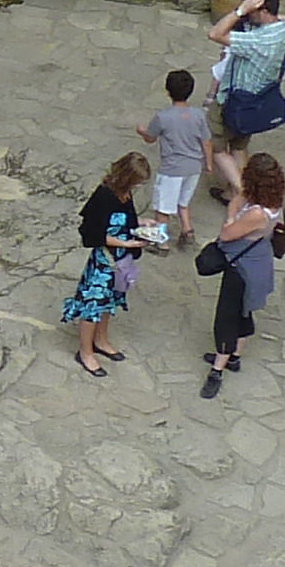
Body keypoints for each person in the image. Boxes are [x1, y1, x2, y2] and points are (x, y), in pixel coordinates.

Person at [200, 152, 285, 397]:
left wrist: (231, 212)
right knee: (243, 311)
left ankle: (218, 368)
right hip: (258, 261)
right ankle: (235, 356)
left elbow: (227, 234)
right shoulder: (275, 200)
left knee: (227, 317)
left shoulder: (256, 214)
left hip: (242, 267)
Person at [64, 151, 150, 376]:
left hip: (121, 259)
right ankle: (85, 352)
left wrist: (143, 225)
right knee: (93, 305)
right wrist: (127, 243)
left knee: (110, 302)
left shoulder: (126, 194)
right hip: (104, 261)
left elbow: (128, 220)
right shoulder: (103, 196)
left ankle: (101, 340)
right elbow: (92, 233)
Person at [208, 0, 285, 159]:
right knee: (239, 146)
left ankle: (239, 187)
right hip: (257, 100)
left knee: (214, 144)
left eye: (251, 12)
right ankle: (244, 185)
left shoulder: (258, 41)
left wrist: (240, 11)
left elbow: (215, 34)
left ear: (262, 11)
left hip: (236, 100)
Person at [142, 69, 212, 246]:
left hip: (172, 169)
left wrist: (141, 131)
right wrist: (208, 164)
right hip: (193, 168)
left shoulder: (163, 117)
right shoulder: (199, 115)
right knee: (183, 202)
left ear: (168, 91)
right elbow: (206, 141)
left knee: (163, 208)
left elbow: (150, 138)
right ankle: (187, 231)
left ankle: (161, 242)